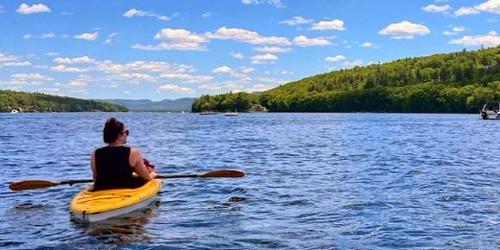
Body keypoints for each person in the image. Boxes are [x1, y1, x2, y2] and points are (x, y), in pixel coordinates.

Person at [91, 117, 156, 191]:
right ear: (119, 135)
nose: (127, 135)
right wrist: (152, 175)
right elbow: (146, 177)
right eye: (126, 132)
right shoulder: (134, 152)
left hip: (100, 190)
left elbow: (95, 178)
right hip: (126, 191)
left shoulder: (95, 154)